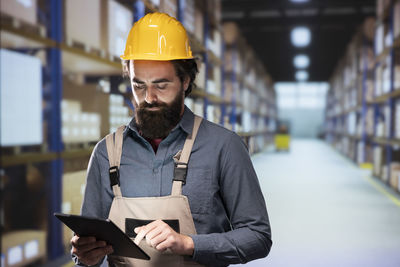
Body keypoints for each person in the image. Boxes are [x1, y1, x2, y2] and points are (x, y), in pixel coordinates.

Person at [71, 12, 272, 267]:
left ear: (186, 80)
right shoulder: (105, 153)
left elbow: (258, 236)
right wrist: (86, 257)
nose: (149, 97)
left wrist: (189, 244)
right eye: (139, 85)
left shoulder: (224, 147)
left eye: (161, 85)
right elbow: (88, 248)